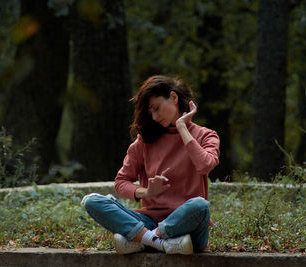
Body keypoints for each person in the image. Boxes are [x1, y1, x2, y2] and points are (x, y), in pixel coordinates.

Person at [82, 75, 220, 254]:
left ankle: (143, 239)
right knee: (92, 201)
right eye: (150, 113)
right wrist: (146, 192)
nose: (154, 117)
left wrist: (182, 127)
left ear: (173, 97)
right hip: (150, 222)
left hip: (188, 227)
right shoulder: (145, 141)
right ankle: (159, 241)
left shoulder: (206, 135)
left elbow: (205, 165)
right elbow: (121, 182)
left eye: (157, 109)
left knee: (200, 206)